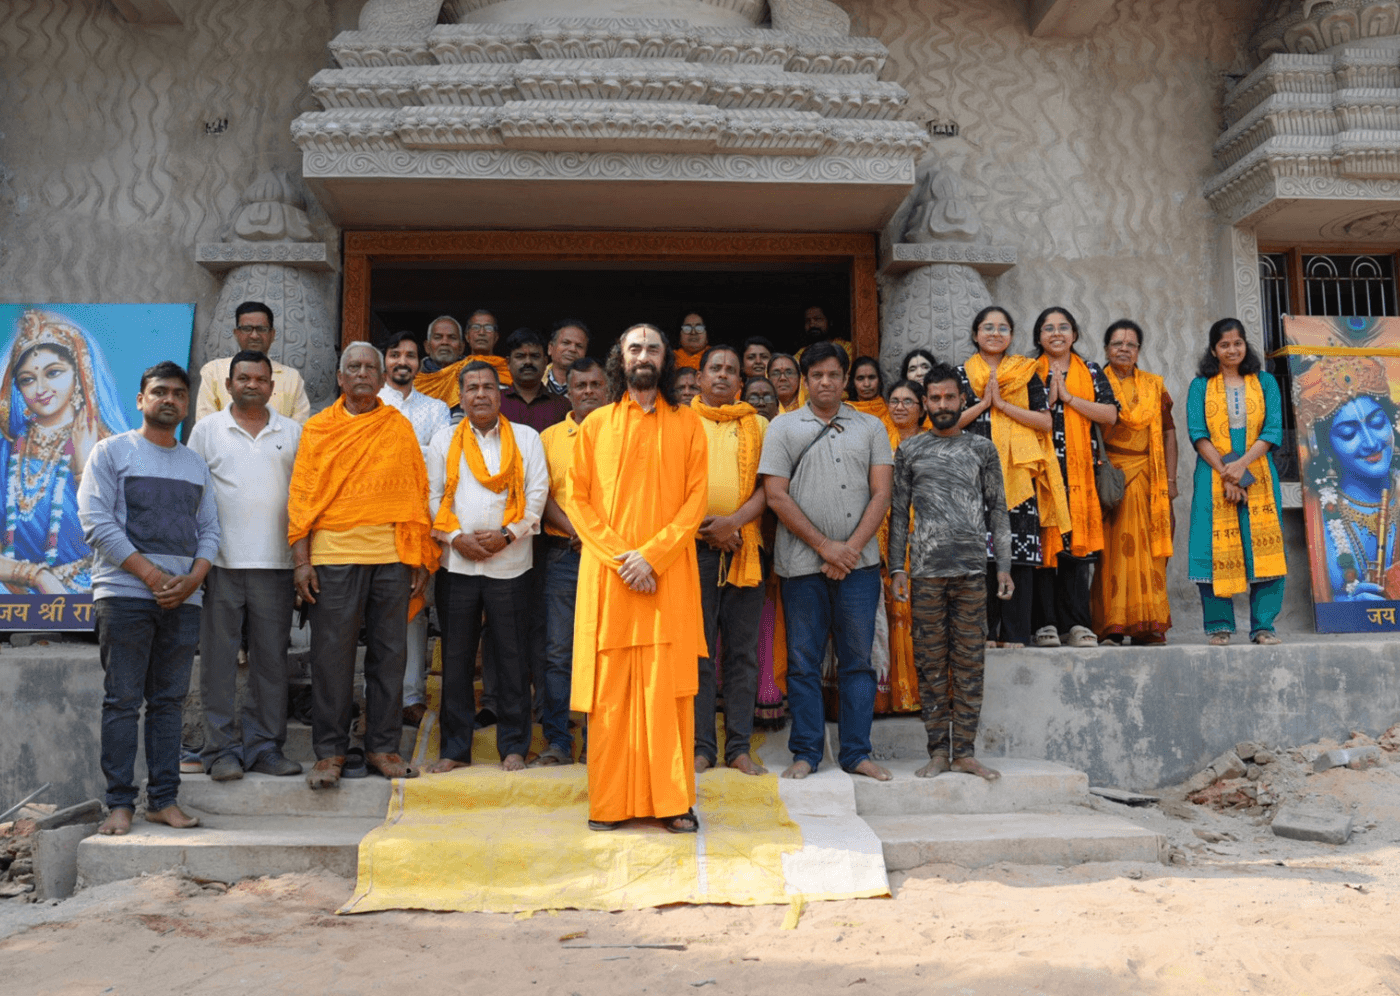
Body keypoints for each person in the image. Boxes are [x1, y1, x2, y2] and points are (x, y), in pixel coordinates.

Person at [563, 323, 708, 833]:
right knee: (612, 696)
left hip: (666, 579)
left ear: (666, 359)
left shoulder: (689, 425)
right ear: (619, 359)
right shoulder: (596, 425)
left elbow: (695, 502)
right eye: (634, 347)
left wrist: (653, 556)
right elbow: (575, 500)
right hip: (611, 581)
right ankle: (608, 804)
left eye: (652, 348)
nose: (643, 355)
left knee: (665, 693)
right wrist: (624, 558)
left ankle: (673, 802)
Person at [78, 361, 220, 836]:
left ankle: (163, 800)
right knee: (122, 701)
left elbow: (210, 530)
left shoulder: (195, 463)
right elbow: (97, 523)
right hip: (125, 596)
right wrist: (154, 577)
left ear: (186, 405)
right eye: (159, 392)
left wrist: (194, 579)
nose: (169, 400)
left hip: (183, 600)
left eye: (179, 394)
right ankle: (120, 803)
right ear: (141, 400)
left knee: (169, 703)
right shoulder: (111, 452)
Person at [288, 342, 437, 789]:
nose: (362, 374)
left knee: (390, 655)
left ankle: (383, 746)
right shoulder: (318, 429)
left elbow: (415, 492)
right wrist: (301, 561)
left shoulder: (398, 427)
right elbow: (301, 498)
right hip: (333, 555)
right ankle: (331, 752)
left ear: (382, 375)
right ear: (339, 377)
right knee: (331, 656)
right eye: (353, 367)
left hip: (392, 555)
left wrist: (419, 558)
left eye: (370, 367)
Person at [759, 341, 892, 782]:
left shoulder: (870, 427)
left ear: (845, 377)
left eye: (834, 374)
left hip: (860, 564)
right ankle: (807, 753)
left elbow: (882, 493)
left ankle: (857, 753)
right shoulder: (783, 428)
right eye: (816, 376)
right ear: (804, 380)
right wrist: (825, 546)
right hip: (801, 565)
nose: (826, 382)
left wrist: (849, 547)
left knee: (857, 660)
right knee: (803, 661)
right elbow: (775, 495)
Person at [425, 361, 548, 773]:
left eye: (488, 387)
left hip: (511, 563)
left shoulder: (527, 439)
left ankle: (514, 744)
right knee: (456, 659)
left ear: (501, 395)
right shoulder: (444, 440)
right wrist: (455, 537)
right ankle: (454, 749)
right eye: (472, 387)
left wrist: (509, 535)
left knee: (512, 658)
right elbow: (431, 495)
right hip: (457, 564)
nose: (480, 394)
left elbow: (537, 493)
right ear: (460, 397)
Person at [890, 364, 1011, 780]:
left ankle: (965, 752)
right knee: (930, 663)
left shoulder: (982, 450)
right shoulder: (909, 450)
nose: (942, 404)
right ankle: (938, 751)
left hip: (972, 573)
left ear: (962, 400)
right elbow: (897, 513)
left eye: (949, 398)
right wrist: (896, 568)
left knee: (970, 664)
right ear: (925, 403)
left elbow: (998, 509)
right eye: (935, 398)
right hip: (924, 574)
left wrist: (1005, 567)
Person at [187, 349, 303, 781]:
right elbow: (193, 497)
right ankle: (219, 751)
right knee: (218, 660)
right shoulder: (207, 431)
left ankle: (265, 748)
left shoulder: (291, 432)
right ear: (228, 384)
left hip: (276, 564)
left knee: (271, 661)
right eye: (243, 378)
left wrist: (301, 561)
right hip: (220, 564)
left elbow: (303, 499)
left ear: (273, 387)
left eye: (260, 379)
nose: (251, 384)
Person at [956, 306, 1067, 649]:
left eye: (1002, 328)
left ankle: (1017, 632)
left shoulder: (1026, 372)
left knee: (1018, 554)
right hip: (972, 476)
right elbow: (947, 422)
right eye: (987, 327)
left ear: (1011, 336)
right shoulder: (960, 375)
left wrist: (1002, 406)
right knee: (979, 557)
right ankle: (985, 632)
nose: (994, 333)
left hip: (1018, 474)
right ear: (975, 334)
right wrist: (982, 405)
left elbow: (1045, 422)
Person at [0, 309, 128, 594]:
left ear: (79, 375)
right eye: (27, 379)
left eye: (53, 373)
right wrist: (36, 577)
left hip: (94, 594)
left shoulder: (110, 446)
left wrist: (84, 468)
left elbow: (125, 538)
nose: (41, 388)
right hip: (15, 598)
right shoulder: (6, 452)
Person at [690, 345, 769, 777]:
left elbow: (769, 487)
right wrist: (707, 528)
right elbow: (671, 487)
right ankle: (702, 747)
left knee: (742, 654)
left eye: (730, 371)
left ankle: (738, 747)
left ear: (740, 382)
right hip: (693, 550)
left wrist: (733, 524)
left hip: (744, 549)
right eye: (714, 369)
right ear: (699, 378)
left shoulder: (758, 425)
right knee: (698, 653)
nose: (722, 375)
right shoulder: (680, 423)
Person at [1188, 318, 1286, 645]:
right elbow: (1198, 434)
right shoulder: (1200, 386)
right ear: (1214, 350)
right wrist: (1226, 473)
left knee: (1263, 546)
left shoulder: (1266, 382)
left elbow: (1272, 430)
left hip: (1258, 473)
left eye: (1238, 342)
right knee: (1212, 547)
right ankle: (1219, 625)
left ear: (1246, 345)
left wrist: (1241, 466)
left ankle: (1263, 626)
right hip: (1212, 474)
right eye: (1225, 344)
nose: (1232, 349)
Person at [1031, 306, 1119, 648]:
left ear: (1075, 335)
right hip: (1040, 471)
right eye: (1048, 328)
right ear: (1038, 337)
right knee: (1045, 549)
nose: (1056, 333)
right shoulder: (1026, 370)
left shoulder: (1092, 371)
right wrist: (1050, 397)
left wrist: (1069, 398)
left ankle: (1078, 625)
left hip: (1081, 472)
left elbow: (1110, 414)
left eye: (1063, 327)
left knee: (1076, 551)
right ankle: (1045, 625)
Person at [536, 357, 608, 767]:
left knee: (607, 651)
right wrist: (577, 531)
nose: (588, 392)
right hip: (565, 554)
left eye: (596, 384)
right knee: (559, 651)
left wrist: (601, 537)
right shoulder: (549, 438)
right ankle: (559, 741)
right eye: (580, 385)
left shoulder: (624, 433)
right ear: (569, 390)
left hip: (613, 558)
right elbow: (541, 496)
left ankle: (602, 742)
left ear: (608, 389)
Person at [376, 331, 450, 727]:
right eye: (394, 354)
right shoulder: (370, 403)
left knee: (416, 609)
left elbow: (436, 458)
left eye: (409, 355)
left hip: (418, 521)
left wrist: (395, 454)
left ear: (420, 363)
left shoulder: (436, 408)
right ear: (384, 360)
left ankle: (411, 696)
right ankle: (379, 699)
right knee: (377, 611)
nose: (402, 361)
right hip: (374, 520)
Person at [1091, 320, 1175, 644]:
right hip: (1110, 475)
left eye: (1131, 344)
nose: (1124, 349)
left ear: (1139, 350)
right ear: (1106, 349)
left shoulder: (1155, 386)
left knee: (1150, 553)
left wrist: (1171, 478)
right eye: (1117, 343)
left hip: (1149, 474)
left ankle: (1146, 624)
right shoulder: (1095, 384)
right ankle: (1111, 626)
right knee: (1110, 554)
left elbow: (1169, 432)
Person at [1298, 357, 1400, 601]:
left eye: (1377, 423)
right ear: (1326, 448)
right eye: (1348, 433)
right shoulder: (1319, 511)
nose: (1371, 442)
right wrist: (1350, 603)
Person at [879, 378, 928, 714]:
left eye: (907, 401)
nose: (899, 406)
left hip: (924, 534)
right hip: (886, 532)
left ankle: (926, 696)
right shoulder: (879, 440)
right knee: (893, 611)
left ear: (922, 407)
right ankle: (898, 695)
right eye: (894, 400)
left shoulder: (932, 443)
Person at [195, 301, 311, 424]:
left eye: (261, 329)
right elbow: (205, 426)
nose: (254, 335)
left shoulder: (292, 378)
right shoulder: (213, 371)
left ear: (272, 334)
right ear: (236, 333)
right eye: (247, 329)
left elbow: (300, 431)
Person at [414, 308, 513, 409]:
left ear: (462, 347)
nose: (445, 342)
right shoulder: (413, 380)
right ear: (427, 346)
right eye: (438, 337)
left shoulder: (473, 372)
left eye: (452, 337)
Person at [500, 327, 570, 433]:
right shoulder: (495, 402)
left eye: (535, 356)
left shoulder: (563, 406)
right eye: (520, 356)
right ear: (508, 363)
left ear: (545, 362)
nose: (528, 362)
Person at [545, 319, 590, 397]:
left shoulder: (593, 389)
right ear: (550, 348)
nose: (573, 349)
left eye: (579, 346)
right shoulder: (531, 380)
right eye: (566, 343)